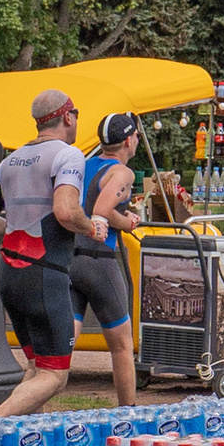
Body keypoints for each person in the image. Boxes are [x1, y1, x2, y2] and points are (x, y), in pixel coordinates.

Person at [0, 87, 113, 418]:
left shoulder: (10, 160)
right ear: (67, 116)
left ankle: (22, 442)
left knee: (36, 368)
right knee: (55, 375)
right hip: (45, 274)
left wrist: (17, 228)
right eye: (76, 115)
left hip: (10, 276)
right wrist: (91, 227)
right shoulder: (68, 155)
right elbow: (65, 211)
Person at [75, 110, 144, 404]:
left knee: (62, 344)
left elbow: (88, 202)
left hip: (70, 257)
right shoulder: (122, 172)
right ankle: (128, 415)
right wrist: (127, 222)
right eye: (137, 135)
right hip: (99, 259)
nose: (138, 139)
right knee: (121, 346)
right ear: (128, 141)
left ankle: (32, 407)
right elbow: (101, 211)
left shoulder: (84, 164)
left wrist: (120, 212)